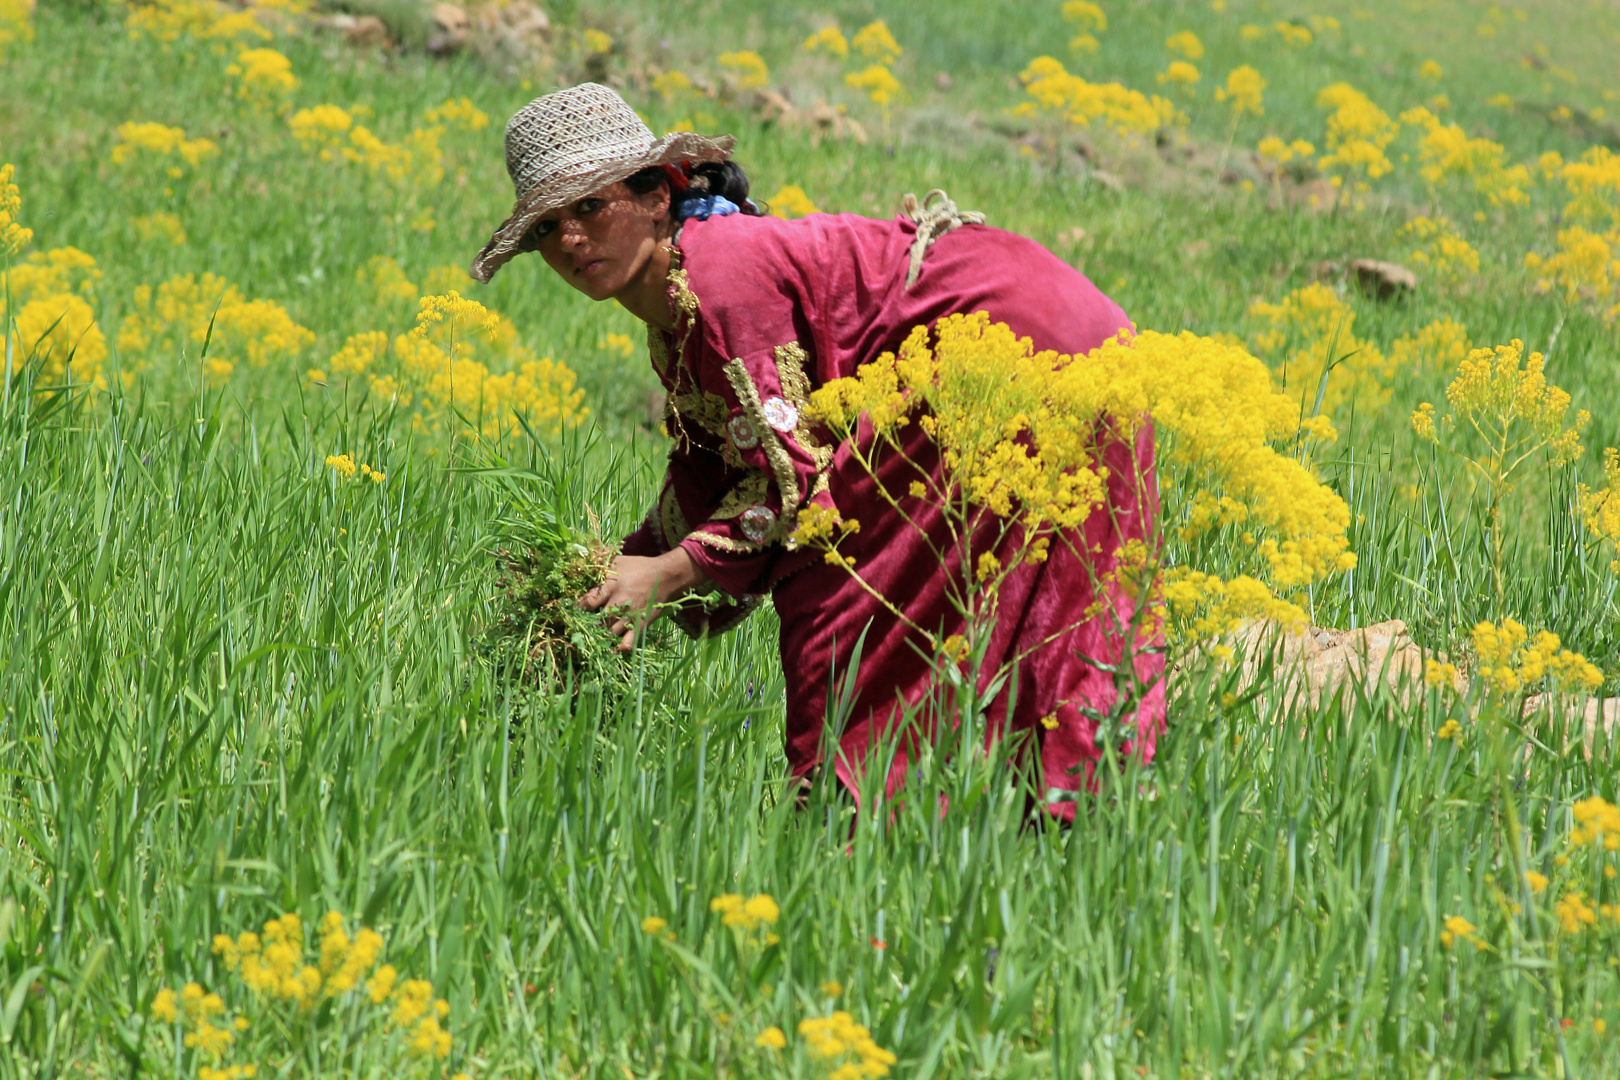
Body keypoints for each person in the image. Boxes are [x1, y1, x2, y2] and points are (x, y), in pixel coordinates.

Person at [470, 83, 1163, 817]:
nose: (571, 239)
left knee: (838, 592)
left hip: (1005, 346)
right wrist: (616, 569)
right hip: (1056, 328)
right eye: (547, 228)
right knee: (1015, 600)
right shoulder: (680, 293)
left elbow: (789, 490)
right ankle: (1030, 827)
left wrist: (667, 577)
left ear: (656, 195)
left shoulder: (719, 279)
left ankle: (858, 828)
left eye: (589, 207)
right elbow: (718, 461)